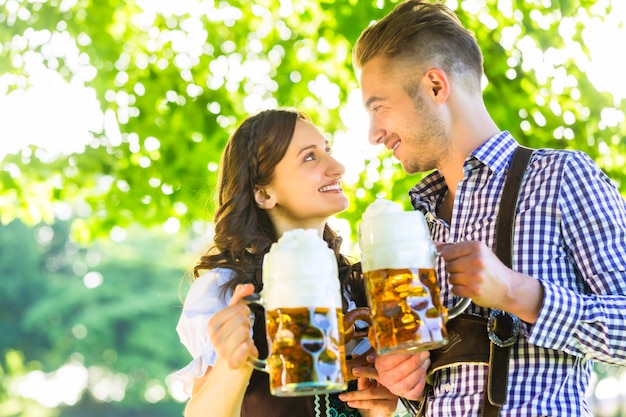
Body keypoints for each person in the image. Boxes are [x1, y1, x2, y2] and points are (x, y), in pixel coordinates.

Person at [350, 1, 626, 416]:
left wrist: (519, 293)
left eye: (378, 108)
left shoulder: (561, 177)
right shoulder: (414, 226)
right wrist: (403, 385)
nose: (373, 134)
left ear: (435, 87)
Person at [175, 109, 399, 417]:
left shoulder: (357, 287)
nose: (337, 167)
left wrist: (383, 407)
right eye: (310, 157)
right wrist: (232, 366)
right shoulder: (227, 289)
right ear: (264, 193)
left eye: (328, 151)